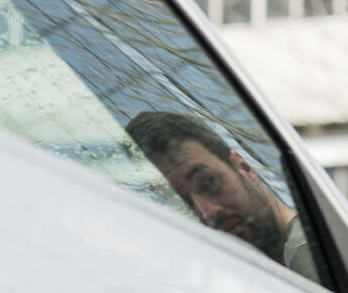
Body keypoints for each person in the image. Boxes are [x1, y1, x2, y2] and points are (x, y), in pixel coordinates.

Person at [127, 110, 318, 283]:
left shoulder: (309, 255)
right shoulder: (272, 275)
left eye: (209, 182)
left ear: (245, 169)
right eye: (183, 203)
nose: (207, 212)